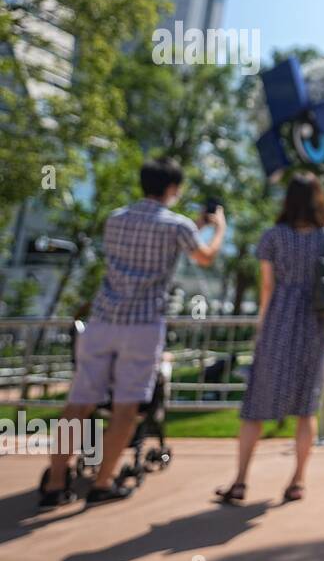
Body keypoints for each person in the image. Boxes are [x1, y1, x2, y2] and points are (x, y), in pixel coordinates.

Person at [39, 157, 226, 508]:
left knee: (78, 405)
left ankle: (55, 482)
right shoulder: (178, 226)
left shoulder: (116, 219)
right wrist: (218, 229)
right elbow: (203, 257)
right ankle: (103, 481)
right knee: (127, 409)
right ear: (173, 188)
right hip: (142, 325)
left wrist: (191, 225)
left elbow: (153, 241)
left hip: (103, 321)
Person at [216, 172, 324, 505]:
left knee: (256, 404)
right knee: (307, 406)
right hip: (314, 322)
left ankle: (241, 481)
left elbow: (267, 286)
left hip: (279, 319)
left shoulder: (273, 236)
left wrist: (263, 323)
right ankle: (297, 481)